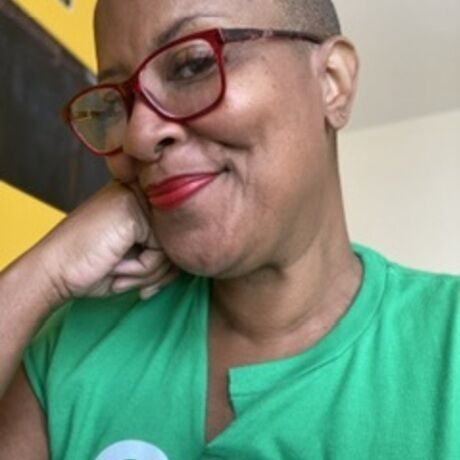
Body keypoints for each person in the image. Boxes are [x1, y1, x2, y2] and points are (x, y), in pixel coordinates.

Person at [0, 0, 459, 458]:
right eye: (114, 106)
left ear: (331, 82)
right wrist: (46, 272)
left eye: (191, 65)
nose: (138, 137)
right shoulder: (72, 344)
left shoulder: (447, 344)